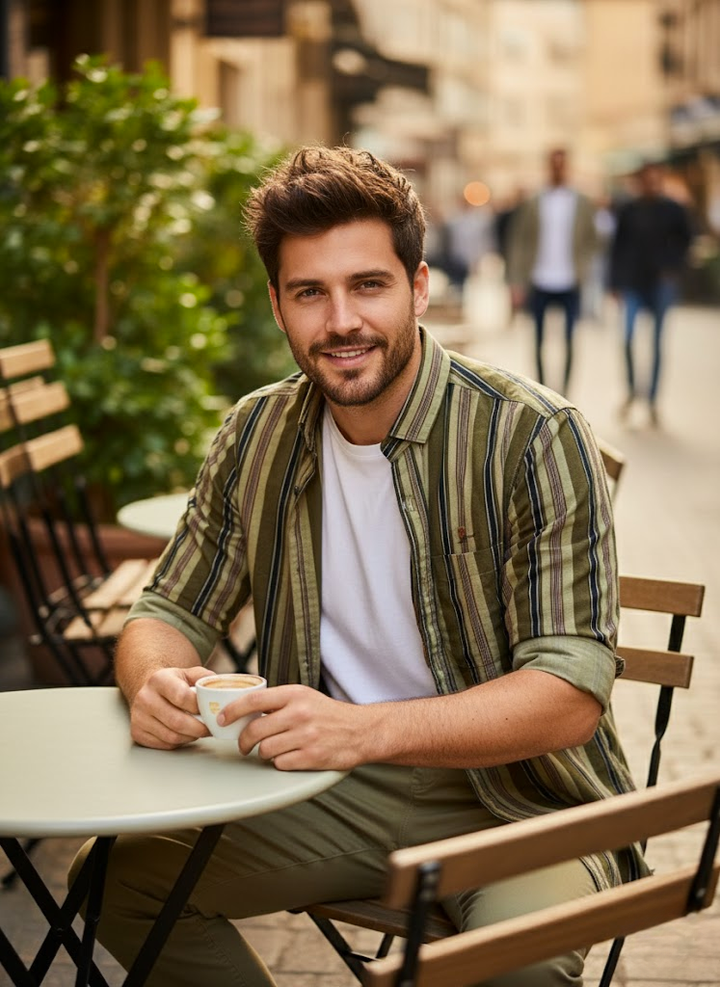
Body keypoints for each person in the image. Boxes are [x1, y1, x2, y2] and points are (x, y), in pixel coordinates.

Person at [70, 145, 646, 987]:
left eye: (367, 285)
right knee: (114, 876)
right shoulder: (256, 433)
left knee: (509, 971)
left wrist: (364, 727)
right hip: (324, 788)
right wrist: (153, 679)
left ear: (417, 286)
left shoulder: (533, 435)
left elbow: (569, 694)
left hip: (520, 797)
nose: (340, 320)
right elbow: (168, 609)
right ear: (277, 304)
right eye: (310, 292)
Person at [507, 148, 598, 392]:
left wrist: (585, 265)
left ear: (567, 166)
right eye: (553, 164)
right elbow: (519, 240)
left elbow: (593, 238)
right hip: (539, 279)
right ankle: (544, 390)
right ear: (548, 166)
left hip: (571, 280)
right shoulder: (534, 201)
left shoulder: (581, 202)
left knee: (569, 340)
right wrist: (516, 281)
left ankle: (565, 392)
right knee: (538, 341)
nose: (558, 168)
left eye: (562, 164)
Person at [609, 162, 694, 425]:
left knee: (657, 343)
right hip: (633, 282)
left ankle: (653, 400)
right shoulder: (628, 209)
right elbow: (617, 247)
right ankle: (633, 391)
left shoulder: (673, 209)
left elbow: (687, 240)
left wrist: (672, 267)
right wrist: (614, 283)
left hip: (660, 283)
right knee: (628, 338)